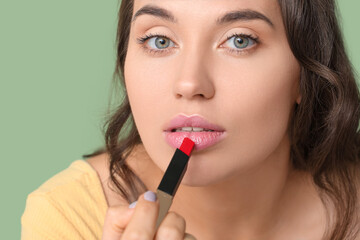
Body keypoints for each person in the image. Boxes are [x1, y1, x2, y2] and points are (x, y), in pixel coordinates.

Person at [21, 0, 360, 239]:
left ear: (307, 71)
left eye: (239, 41)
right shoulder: (66, 217)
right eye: (160, 40)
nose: (190, 83)